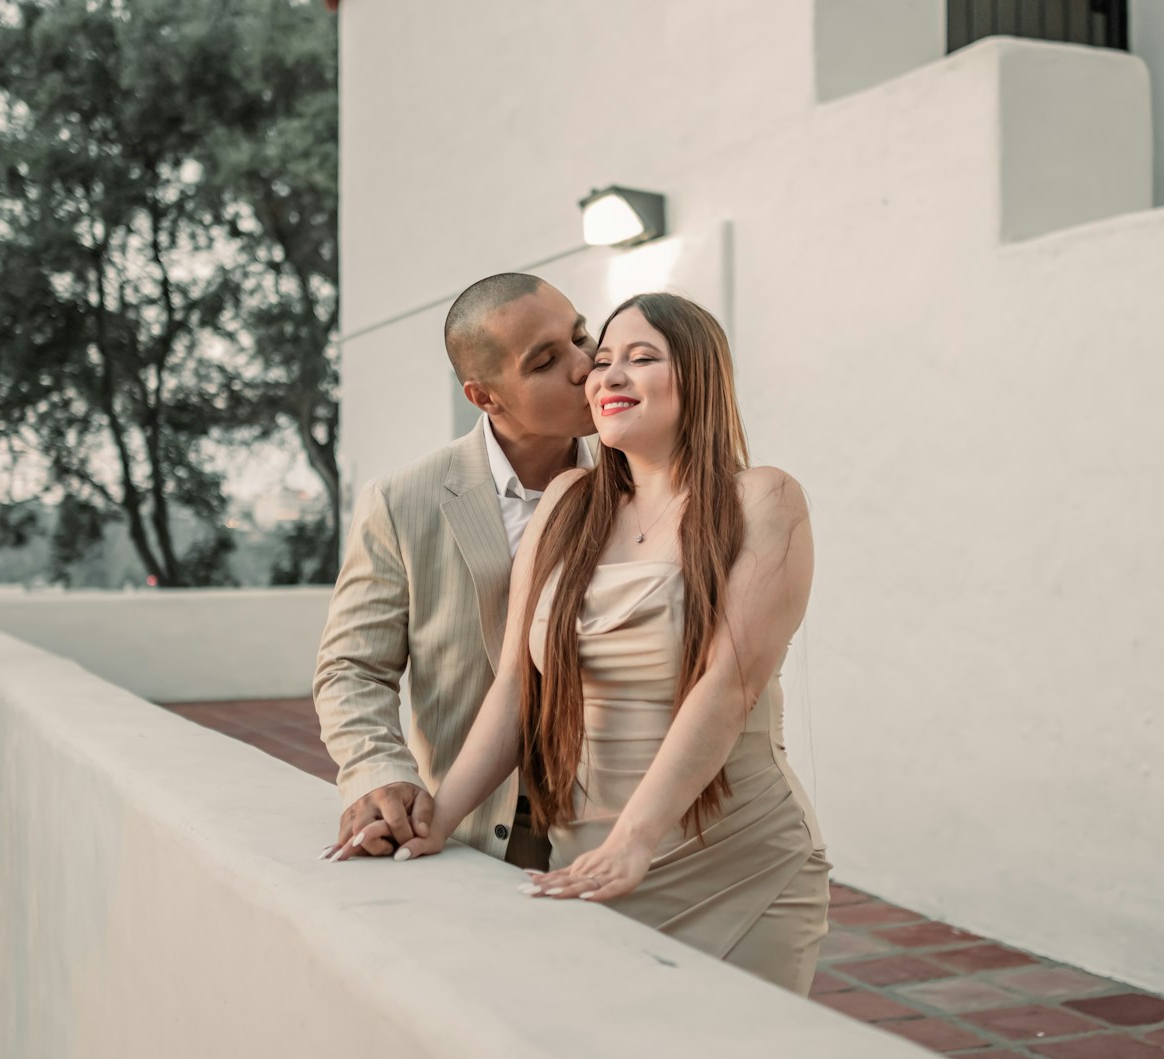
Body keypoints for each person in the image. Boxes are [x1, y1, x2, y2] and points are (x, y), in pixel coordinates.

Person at [370, 292, 830, 994]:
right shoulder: (567, 503)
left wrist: (635, 841)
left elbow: (728, 685)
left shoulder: (762, 499)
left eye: (641, 358)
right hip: (586, 855)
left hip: (736, 861)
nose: (607, 375)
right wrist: (437, 817)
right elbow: (518, 689)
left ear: (702, 375)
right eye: (603, 360)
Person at [316, 273, 597, 871]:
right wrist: (379, 771)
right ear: (484, 397)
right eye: (547, 360)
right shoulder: (402, 499)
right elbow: (353, 666)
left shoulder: (641, 480)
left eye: (580, 336)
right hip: (478, 831)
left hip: (623, 823)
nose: (586, 365)